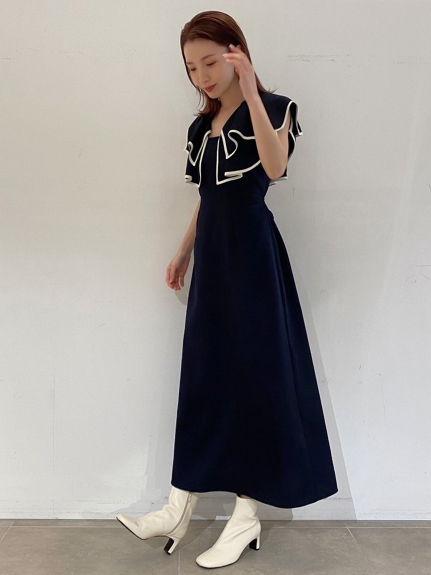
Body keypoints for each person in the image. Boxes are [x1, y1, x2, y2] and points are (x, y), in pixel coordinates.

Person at [117, 10, 338, 569]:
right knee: (204, 373)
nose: (202, 77)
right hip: (213, 259)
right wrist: (183, 251)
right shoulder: (201, 128)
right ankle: (178, 504)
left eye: (210, 62)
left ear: (237, 53)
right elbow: (207, 197)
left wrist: (254, 91)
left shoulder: (276, 108)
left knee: (254, 377)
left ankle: (246, 515)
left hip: (254, 257)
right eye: (192, 68)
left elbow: (275, 166)